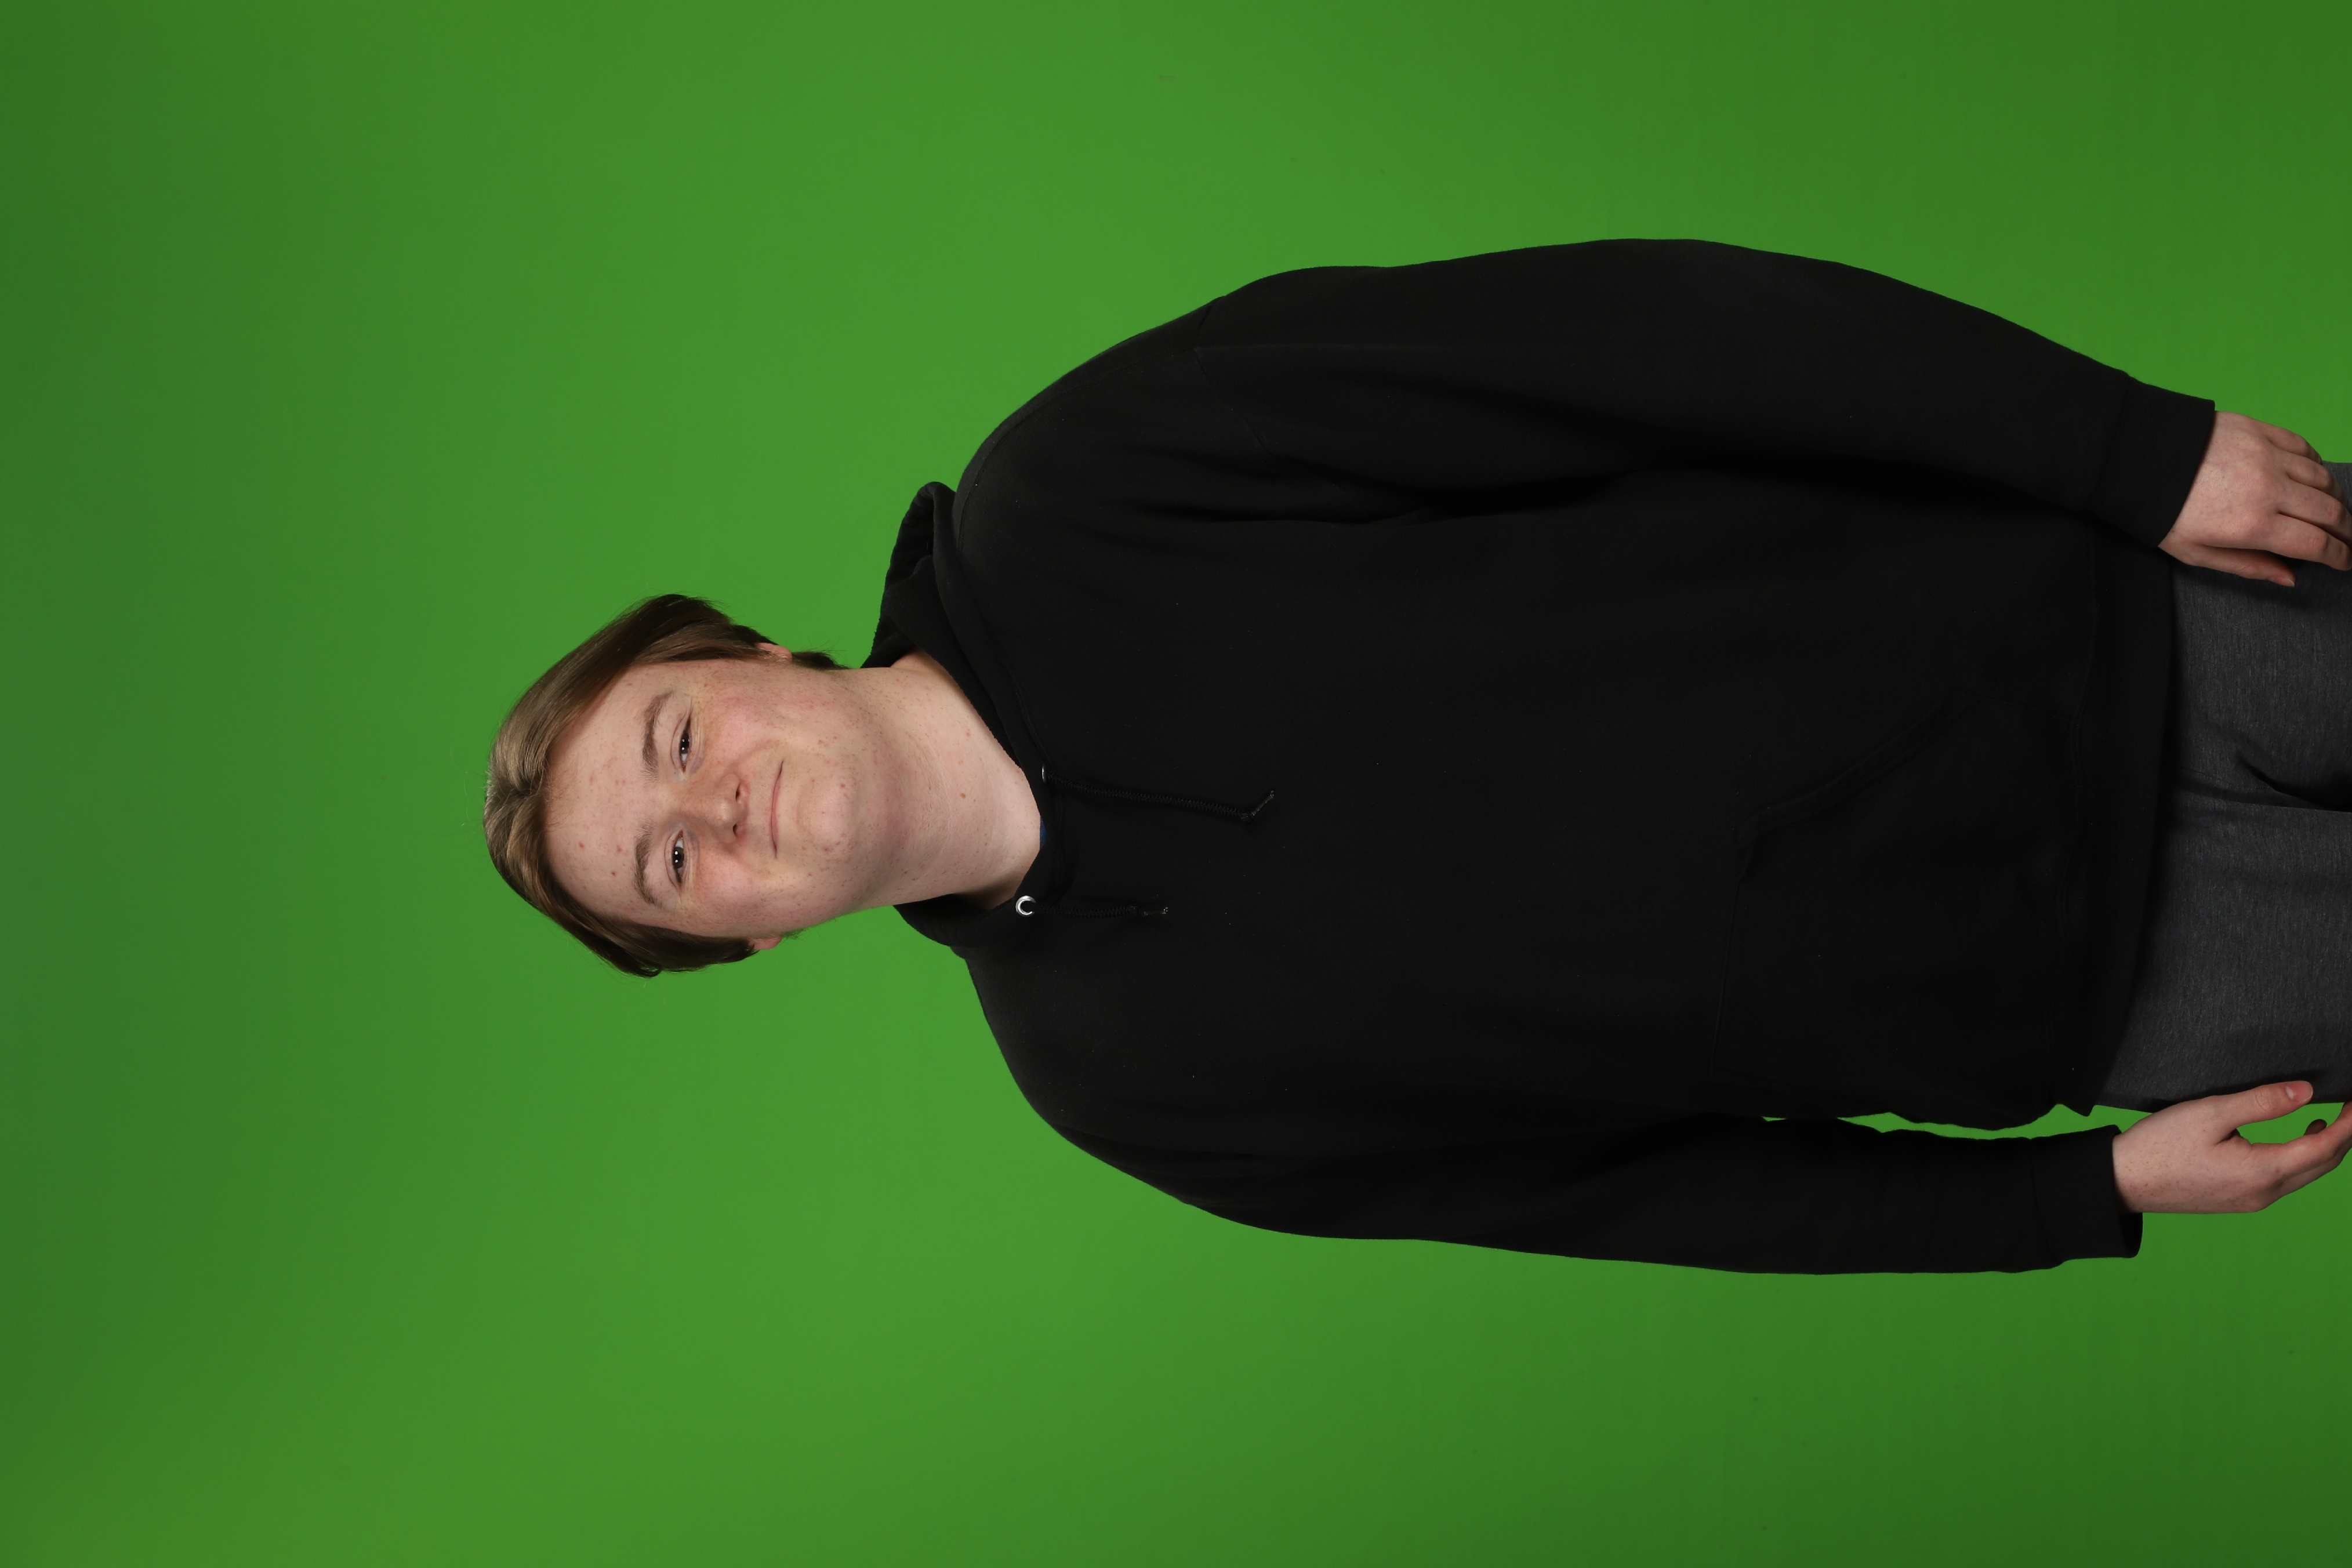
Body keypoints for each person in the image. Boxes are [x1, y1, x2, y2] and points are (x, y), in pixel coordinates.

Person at [485, 239, 2352, 1273]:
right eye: (672, 865)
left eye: (676, 737)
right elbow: (1633, 1197)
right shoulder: (1124, 1086)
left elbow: (1647, 338)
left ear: (752, 652)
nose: (713, 807)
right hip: (2121, 992)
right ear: (747, 940)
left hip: (2130, 614)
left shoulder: (1090, 481)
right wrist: (2073, 1201)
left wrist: (2124, 449)